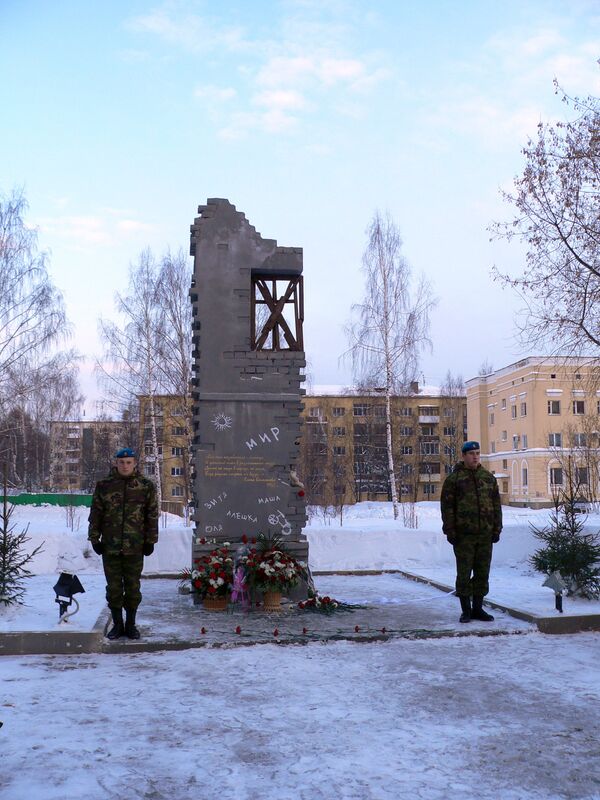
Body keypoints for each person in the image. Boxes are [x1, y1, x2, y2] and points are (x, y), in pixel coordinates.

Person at [88, 447, 158, 640]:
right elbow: (96, 514)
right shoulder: (104, 485)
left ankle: (131, 624)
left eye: (129, 462)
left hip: (135, 547)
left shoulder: (145, 486)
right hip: (110, 546)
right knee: (114, 588)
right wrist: (94, 538)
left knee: (133, 587)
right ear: (116, 463)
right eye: (121, 462)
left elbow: (152, 515)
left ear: (135, 463)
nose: (125, 466)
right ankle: (118, 625)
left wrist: (150, 541)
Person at [440, 441, 502, 624]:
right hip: (463, 536)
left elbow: (496, 506)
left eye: (477, 453)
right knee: (464, 573)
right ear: (464, 456)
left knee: (483, 572)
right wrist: (450, 530)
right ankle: (466, 610)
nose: (475, 456)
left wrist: (497, 528)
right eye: (471, 453)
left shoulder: (488, 478)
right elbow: (447, 508)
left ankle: (478, 608)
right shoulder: (454, 479)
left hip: (485, 535)